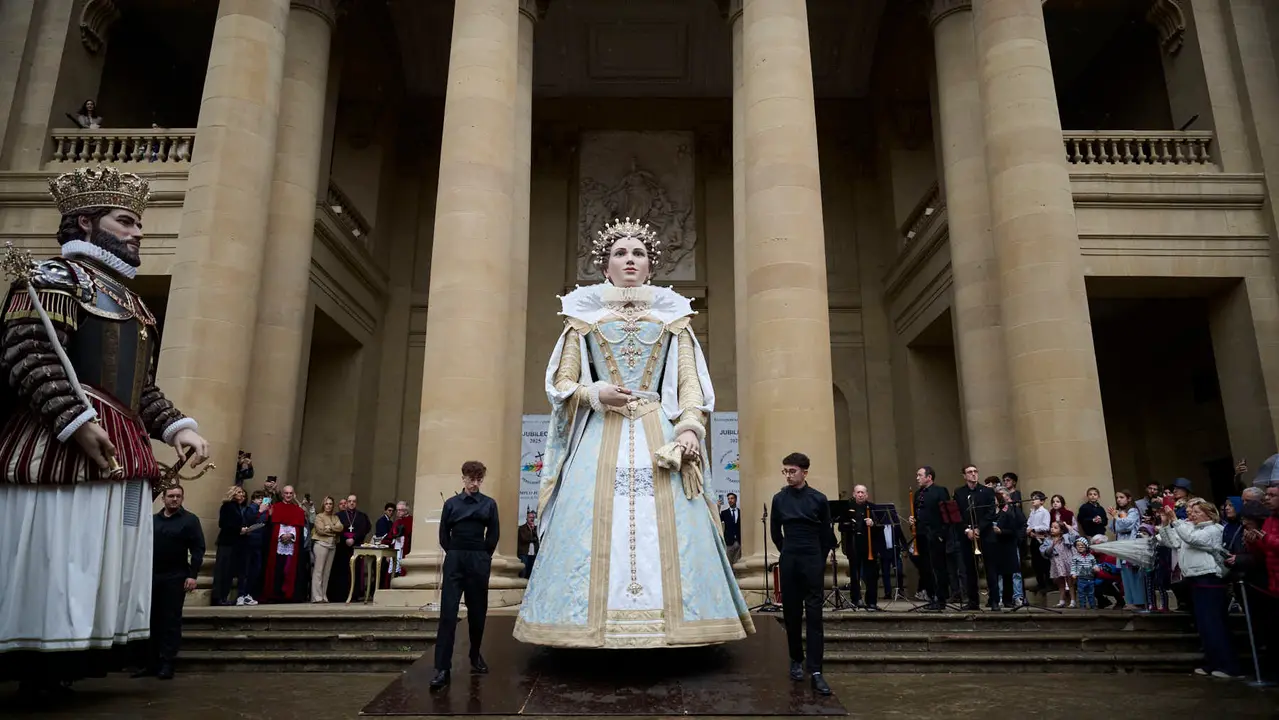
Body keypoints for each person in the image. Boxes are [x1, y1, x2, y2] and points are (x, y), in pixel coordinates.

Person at [0, 166, 208, 695]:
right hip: (60, 447)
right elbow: (29, 356)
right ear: (87, 222)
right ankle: (34, 656)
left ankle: (69, 659)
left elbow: (140, 390)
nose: (138, 231)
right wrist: (74, 421)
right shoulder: (53, 279)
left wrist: (177, 428)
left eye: (138, 223)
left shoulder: (134, 303)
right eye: (126, 221)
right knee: (58, 549)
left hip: (118, 442)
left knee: (94, 557)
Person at [513, 219, 753, 648]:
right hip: (600, 431)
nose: (629, 260)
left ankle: (679, 625)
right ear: (605, 266)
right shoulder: (582, 316)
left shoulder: (673, 316)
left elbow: (688, 382)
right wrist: (594, 392)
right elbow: (562, 382)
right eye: (620, 253)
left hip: (656, 429)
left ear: (649, 267)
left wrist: (691, 428)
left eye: (637, 253)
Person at [770, 453, 835, 696]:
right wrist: (787, 552)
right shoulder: (779, 499)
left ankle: (816, 669)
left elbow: (827, 535)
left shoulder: (819, 499)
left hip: (812, 558)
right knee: (792, 613)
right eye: (785, 471)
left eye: (792, 471)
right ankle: (796, 659)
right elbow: (776, 532)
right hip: (790, 557)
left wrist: (818, 559)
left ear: (804, 473)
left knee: (815, 616)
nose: (788, 475)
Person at [432, 461, 500, 689]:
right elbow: (443, 534)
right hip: (455, 558)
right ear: (463, 478)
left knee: (478, 612)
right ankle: (442, 668)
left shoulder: (489, 504)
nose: (474, 483)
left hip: (478, 558)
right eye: (471, 479)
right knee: (448, 614)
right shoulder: (451, 504)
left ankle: (474, 654)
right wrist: (454, 552)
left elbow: (493, 534)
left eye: (479, 479)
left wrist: (482, 556)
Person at [1158, 499, 1238, 678]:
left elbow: (1193, 540)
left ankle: (1228, 665)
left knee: (1214, 623)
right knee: (1204, 625)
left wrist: (1176, 520)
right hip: (1196, 579)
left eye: (1196, 512)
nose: (1191, 514)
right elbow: (1173, 542)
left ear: (1209, 514)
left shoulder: (1214, 529)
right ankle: (1212, 662)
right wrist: (1165, 524)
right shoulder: (1191, 528)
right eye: (1190, 511)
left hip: (1209, 579)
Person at [134, 485, 204, 680]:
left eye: (178, 496)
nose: (175, 499)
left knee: (170, 620)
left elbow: (198, 548)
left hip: (175, 577)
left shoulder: (190, 520)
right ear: (163, 499)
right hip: (152, 576)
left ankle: (167, 662)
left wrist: (193, 575)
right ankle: (149, 662)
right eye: (171, 496)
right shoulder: (152, 520)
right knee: (150, 619)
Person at [953, 464, 996, 610]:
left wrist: (978, 529)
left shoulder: (988, 491)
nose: (973, 474)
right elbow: (957, 514)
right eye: (969, 472)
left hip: (985, 534)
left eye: (975, 471)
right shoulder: (959, 493)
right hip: (968, 536)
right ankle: (973, 601)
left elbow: (991, 512)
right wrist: (967, 530)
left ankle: (994, 600)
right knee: (970, 569)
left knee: (990, 568)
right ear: (964, 476)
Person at [910, 465, 951, 611]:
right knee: (925, 568)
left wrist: (941, 535)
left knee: (938, 568)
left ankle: (941, 599)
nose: (917, 478)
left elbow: (947, 514)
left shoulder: (940, 491)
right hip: (921, 535)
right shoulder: (917, 494)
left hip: (935, 535)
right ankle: (931, 595)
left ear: (929, 477)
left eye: (920, 475)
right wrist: (913, 520)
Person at [837, 484, 882, 609]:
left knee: (871, 575)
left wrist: (873, 524)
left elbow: (881, 527)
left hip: (869, 546)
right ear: (854, 494)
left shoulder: (872, 508)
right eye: (858, 492)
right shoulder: (848, 508)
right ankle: (856, 599)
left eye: (863, 492)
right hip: (854, 545)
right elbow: (841, 527)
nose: (860, 495)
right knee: (854, 574)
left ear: (866, 494)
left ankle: (871, 601)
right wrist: (850, 524)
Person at [263, 485, 307, 602]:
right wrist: (281, 536)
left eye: (290, 493)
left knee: (289, 570)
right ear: (282, 494)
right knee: (276, 570)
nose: (288, 495)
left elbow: (299, 530)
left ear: (294, 495)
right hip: (277, 545)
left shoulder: (298, 511)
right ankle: (275, 594)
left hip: (292, 546)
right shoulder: (275, 508)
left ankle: (288, 594)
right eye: (286, 493)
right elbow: (271, 526)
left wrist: (291, 536)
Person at [329, 493, 373, 601]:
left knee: (355, 571)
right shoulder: (339, 515)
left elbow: (365, 528)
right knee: (342, 571)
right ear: (347, 503)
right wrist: (345, 539)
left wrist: (354, 539)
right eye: (350, 501)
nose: (352, 503)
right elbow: (336, 529)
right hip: (342, 547)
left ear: (356, 503)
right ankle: (340, 595)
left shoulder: (362, 516)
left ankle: (354, 594)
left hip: (356, 546)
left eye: (354, 501)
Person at [1108, 490, 1147, 611]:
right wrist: (1116, 517)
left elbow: (1126, 526)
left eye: (1122, 497)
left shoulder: (1133, 511)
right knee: (1126, 576)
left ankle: (1139, 601)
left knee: (1134, 575)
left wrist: (1116, 517)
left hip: (1131, 546)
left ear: (1129, 499)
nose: (1119, 500)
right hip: (1122, 547)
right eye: (1117, 497)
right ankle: (1130, 601)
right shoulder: (1120, 511)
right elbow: (1113, 528)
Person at [213, 485, 251, 606]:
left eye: (243, 494)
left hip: (236, 543)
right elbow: (223, 523)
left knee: (229, 571)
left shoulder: (240, 508)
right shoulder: (227, 506)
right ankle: (218, 597)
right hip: (227, 542)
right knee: (222, 570)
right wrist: (239, 529)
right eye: (239, 493)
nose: (242, 496)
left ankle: (224, 596)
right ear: (233, 494)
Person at [987, 489, 1020, 610]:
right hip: (993, 547)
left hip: (1006, 547)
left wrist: (1001, 531)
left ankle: (1008, 599)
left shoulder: (1006, 514)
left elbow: (1013, 531)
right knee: (993, 575)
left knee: (1007, 575)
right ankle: (993, 599)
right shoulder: (988, 516)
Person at [311, 496, 342, 603]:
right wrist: (333, 529)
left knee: (327, 572)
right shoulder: (319, 516)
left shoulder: (335, 517)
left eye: (330, 504)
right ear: (323, 505)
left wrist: (330, 527)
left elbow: (340, 528)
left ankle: (323, 595)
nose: (328, 506)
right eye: (326, 504)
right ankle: (316, 596)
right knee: (318, 571)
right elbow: (320, 530)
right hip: (321, 544)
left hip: (332, 545)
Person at [239, 490, 267, 605]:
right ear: (253, 499)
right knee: (245, 570)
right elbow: (248, 520)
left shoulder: (264, 510)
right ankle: (241, 594)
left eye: (262, 498)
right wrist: (260, 511)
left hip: (258, 543)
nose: (260, 500)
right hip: (248, 542)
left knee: (256, 570)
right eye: (258, 498)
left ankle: (248, 594)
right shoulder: (250, 508)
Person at [381, 500, 413, 587]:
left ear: (406, 510)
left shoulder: (411, 521)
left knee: (402, 570)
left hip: (405, 550)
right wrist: (386, 547)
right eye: (398, 510)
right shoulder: (397, 522)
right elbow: (390, 536)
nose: (398, 512)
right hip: (395, 549)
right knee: (391, 570)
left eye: (401, 510)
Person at [1026, 491, 1051, 598]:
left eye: (1035, 498)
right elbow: (1029, 523)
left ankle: (1048, 583)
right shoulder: (1032, 512)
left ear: (1042, 501)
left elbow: (1046, 526)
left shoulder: (1044, 512)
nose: (1033, 500)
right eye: (1032, 498)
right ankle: (1039, 582)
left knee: (1044, 562)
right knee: (1035, 562)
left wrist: (1034, 529)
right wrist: (1028, 530)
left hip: (1042, 540)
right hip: (1034, 539)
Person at [720, 492, 743, 564]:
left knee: (738, 562)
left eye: (732, 498)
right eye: (728, 499)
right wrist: (718, 507)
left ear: (736, 500)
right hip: (729, 542)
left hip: (739, 541)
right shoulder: (724, 513)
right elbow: (717, 520)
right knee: (729, 562)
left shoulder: (741, 512)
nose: (730, 500)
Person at [517, 509, 539, 579]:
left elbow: (538, 537)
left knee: (531, 570)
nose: (531, 519)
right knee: (523, 570)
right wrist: (533, 539)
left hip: (533, 553)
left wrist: (533, 530)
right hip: (524, 553)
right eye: (530, 517)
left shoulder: (535, 528)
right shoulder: (522, 528)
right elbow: (524, 539)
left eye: (533, 518)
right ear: (526, 519)